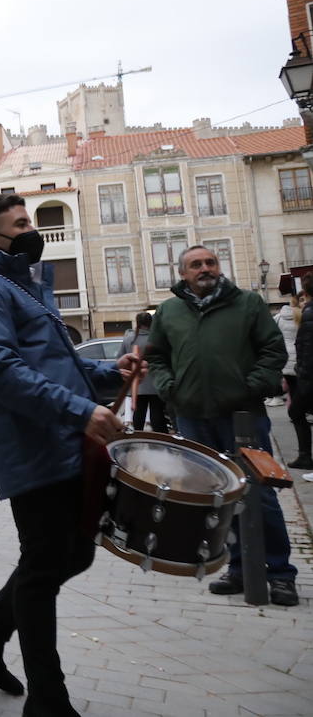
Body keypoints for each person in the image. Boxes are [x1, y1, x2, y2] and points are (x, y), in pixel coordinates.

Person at [0, 194, 134, 716]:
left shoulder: (21, 285)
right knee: (44, 566)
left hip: (62, 440)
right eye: (22, 223)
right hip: (30, 448)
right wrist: (81, 412)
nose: (33, 231)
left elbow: (58, 364)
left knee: (71, 554)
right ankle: (48, 700)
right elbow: (1, 372)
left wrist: (111, 374)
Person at [146, 246, 298, 606]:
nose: (205, 268)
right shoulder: (169, 311)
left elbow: (273, 351)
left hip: (243, 418)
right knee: (218, 498)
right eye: (196, 264)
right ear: (183, 273)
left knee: (260, 494)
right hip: (192, 417)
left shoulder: (247, 303)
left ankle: (280, 574)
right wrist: (170, 388)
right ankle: (239, 568)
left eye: (210, 262)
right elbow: (157, 356)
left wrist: (251, 387)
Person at [118, 312, 167, 432]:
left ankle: (138, 435)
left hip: (137, 384)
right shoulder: (157, 339)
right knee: (157, 414)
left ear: (137, 322)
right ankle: (161, 438)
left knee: (138, 413)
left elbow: (120, 359)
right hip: (157, 382)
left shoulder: (129, 340)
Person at [290, 280, 313, 468]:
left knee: (295, 411)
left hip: (308, 375)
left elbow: (307, 347)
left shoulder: (309, 313)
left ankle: (305, 456)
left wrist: (302, 372)